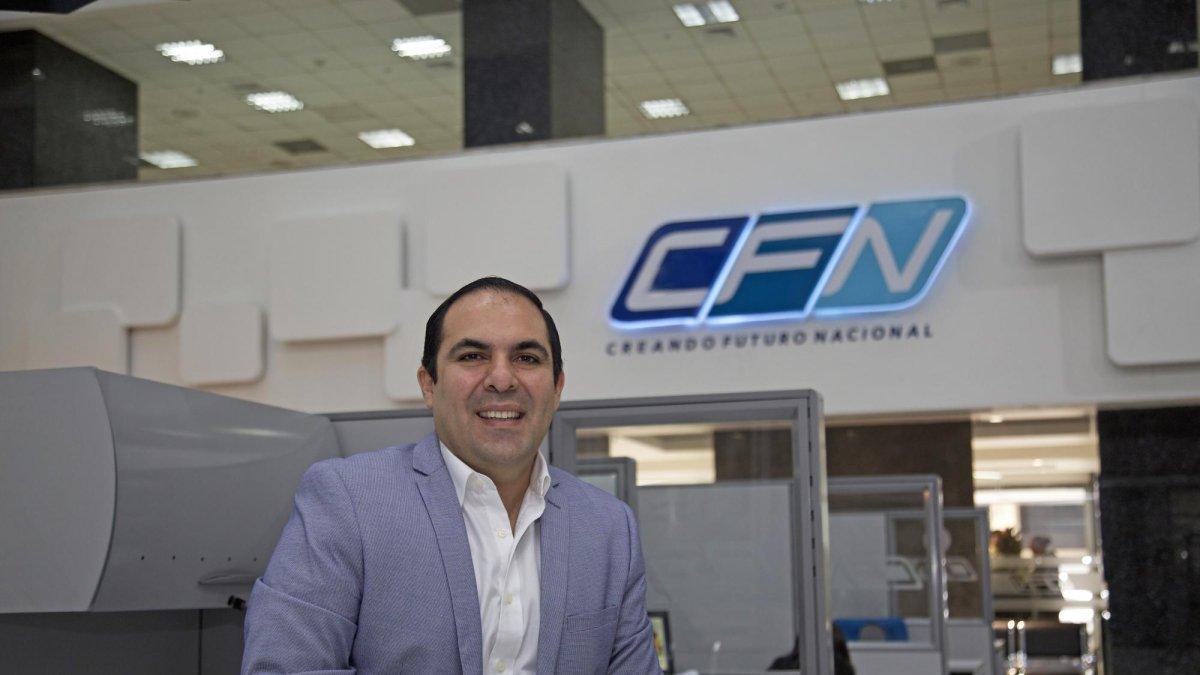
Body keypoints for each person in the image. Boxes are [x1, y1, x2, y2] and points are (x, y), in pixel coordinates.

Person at [242, 277, 660, 674]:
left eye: (527, 358)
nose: (502, 379)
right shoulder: (348, 502)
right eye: (472, 356)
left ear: (557, 387)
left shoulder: (609, 527)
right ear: (429, 384)